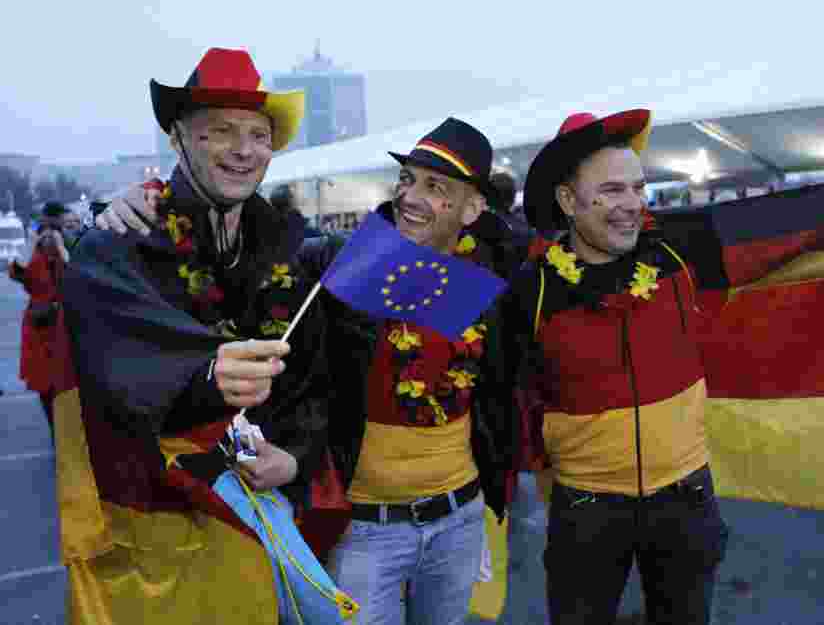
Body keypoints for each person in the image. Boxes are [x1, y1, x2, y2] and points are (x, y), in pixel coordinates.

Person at [507, 109, 824, 625]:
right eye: (612, 190)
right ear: (568, 201)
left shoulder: (678, 249)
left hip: (684, 498)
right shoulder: (531, 289)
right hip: (586, 508)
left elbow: (789, 222)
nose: (632, 205)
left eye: (638, 188)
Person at [100, 116, 524, 625]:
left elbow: (500, 391)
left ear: (472, 208)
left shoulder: (489, 279)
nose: (410, 196)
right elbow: (238, 258)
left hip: (460, 518)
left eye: (435, 188)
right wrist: (135, 208)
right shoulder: (343, 267)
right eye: (408, 179)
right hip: (367, 529)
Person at [62, 47, 345, 624]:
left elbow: (319, 376)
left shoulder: (291, 245)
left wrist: (294, 458)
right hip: (161, 530)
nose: (244, 150)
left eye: (259, 135)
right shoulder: (120, 243)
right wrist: (206, 374)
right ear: (178, 139)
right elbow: (115, 369)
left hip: (265, 508)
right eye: (221, 131)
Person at [8, 201, 74, 437]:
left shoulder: (68, 253)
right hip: (41, 329)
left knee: (70, 388)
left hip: (67, 327)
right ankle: (59, 438)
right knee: (46, 388)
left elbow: (77, 274)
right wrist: (32, 242)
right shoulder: (34, 257)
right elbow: (16, 272)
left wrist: (60, 245)